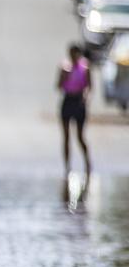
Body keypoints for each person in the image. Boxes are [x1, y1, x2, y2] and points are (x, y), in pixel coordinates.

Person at [57, 44, 92, 180]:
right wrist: (64, 76)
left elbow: (89, 86)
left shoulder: (85, 67)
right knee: (66, 136)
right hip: (68, 101)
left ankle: (87, 163)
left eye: (75, 53)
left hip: (78, 101)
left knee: (79, 136)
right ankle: (67, 166)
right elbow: (58, 86)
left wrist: (85, 98)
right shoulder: (64, 67)